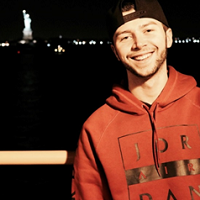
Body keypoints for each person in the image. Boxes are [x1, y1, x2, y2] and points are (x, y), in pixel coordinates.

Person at [71, 0, 200, 199]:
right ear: (115, 52)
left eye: (148, 30)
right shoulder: (96, 128)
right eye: (125, 37)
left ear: (168, 37)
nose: (139, 44)